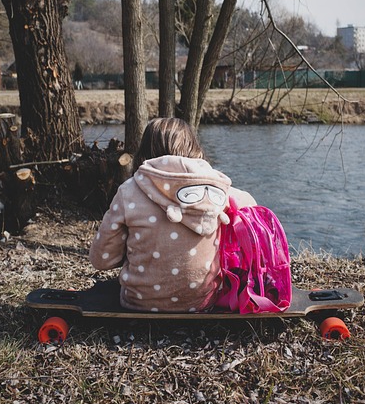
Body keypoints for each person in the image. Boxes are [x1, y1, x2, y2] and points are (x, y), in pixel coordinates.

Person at [89, 117, 256, 313]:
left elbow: (101, 260)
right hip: (203, 302)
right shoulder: (217, 192)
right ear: (195, 148)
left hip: (139, 303)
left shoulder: (129, 191)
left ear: (144, 151)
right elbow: (252, 208)